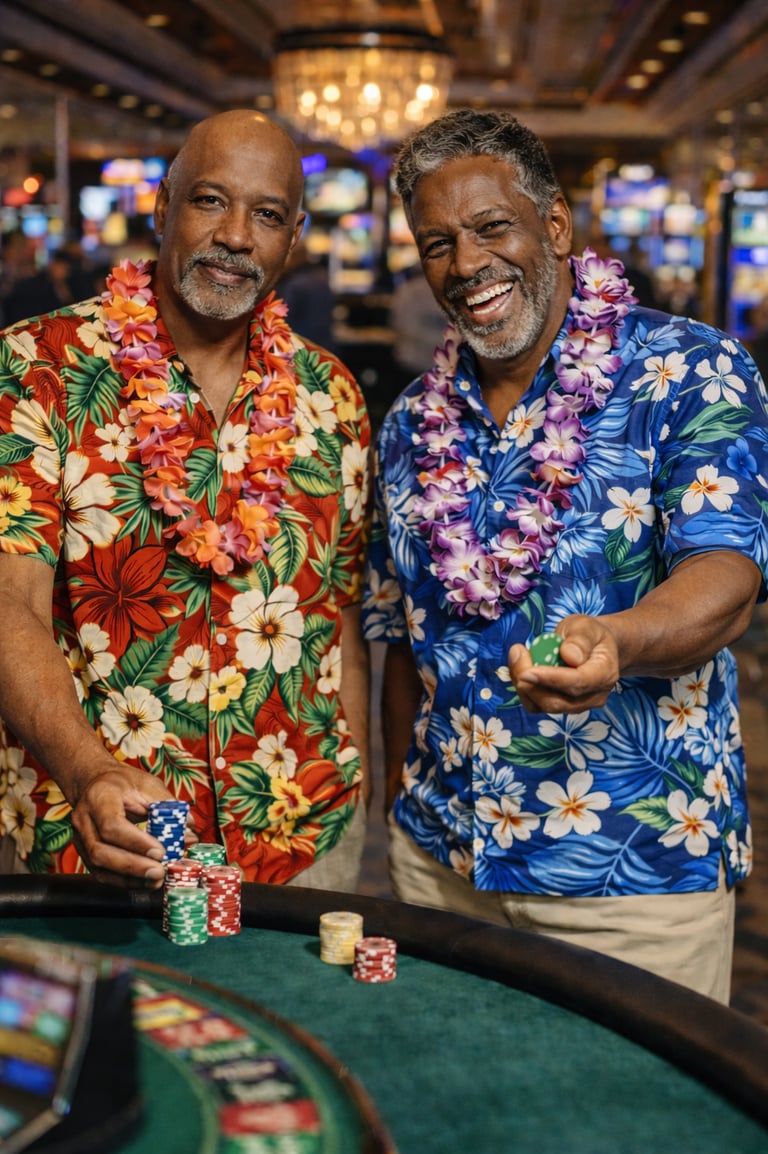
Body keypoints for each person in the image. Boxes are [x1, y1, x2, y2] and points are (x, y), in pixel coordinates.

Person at [361, 108, 768, 1003]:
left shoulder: (686, 369)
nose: (466, 265)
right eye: (436, 244)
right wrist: (401, 817)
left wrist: (621, 640)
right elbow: (398, 637)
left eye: (490, 228)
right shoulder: (405, 429)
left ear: (554, 226)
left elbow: (727, 577)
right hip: (443, 865)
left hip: (632, 868)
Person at [0, 110, 371, 892]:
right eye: (211, 201)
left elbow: (340, 615)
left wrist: (357, 788)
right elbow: (10, 603)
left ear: (294, 237)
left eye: (266, 215)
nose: (237, 236)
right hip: (99, 838)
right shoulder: (36, 368)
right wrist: (87, 771)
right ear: (164, 207)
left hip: (301, 845)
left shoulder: (333, 396)